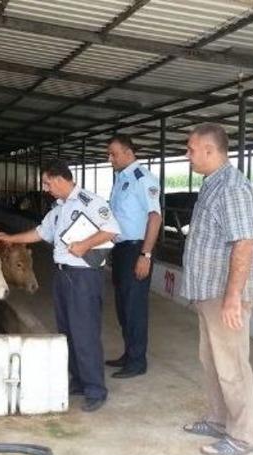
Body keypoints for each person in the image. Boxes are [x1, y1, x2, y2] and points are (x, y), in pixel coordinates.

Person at [0, 161, 120, 412]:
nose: (46, 188)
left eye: (47, 183)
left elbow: (112, 231)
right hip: (63, 275)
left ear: (61, 179)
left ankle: (95, 389)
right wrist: (10, 238)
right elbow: (40, 233)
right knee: (68, 331)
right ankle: (79, 381)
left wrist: (84, 245)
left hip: (83, 276)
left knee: (85, 333)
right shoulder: (58, 208)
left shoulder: (89, 202)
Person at [179, 123, 253, 455]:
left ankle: (242, 436)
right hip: (208, 292)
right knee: (211, 360)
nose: (188, 155)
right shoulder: (212, 185)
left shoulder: (231, 188)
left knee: (231, 364)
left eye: (191, 149)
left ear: (211, 150)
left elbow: (244, 242)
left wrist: (232, 298)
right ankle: (218, 419)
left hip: (224, 295)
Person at [105, 134, 162, 379]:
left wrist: (145, 255)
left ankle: (137, 361)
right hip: (120, 250)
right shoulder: (120, 179)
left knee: (134, 307)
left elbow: (155, 217)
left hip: (136, 250)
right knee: (122, 307)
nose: (110, 159)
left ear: (129, 153)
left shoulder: (143, 179)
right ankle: (129, 354)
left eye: (114, 154)